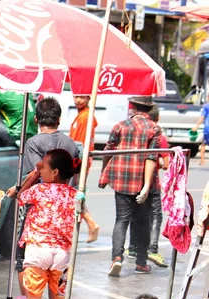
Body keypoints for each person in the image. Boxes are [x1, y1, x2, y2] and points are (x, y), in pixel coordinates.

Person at [6, 97, 79, 299]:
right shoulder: (70, 143)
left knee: (23, 263)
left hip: (38, 213)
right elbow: (74, 178)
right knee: (58, 283)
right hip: (64, 214)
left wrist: (19, 189)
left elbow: (35, 173)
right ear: (59, 119)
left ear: (36, 119)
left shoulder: (33, 142)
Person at [17, 149, 80, 299]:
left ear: (54, 173)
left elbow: (20, 197)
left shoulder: (40, 190)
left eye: (44, 166)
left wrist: (33, 175)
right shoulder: (75, 195)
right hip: (62, 256)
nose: (41, 168)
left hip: (38, 251)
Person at [100, 96, 160, 277]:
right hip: (144, 183)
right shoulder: (154, 128)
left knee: (121, 220)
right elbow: (151, 157)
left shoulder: (120, 126)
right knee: (143, 223)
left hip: (122, 180)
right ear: (150, 109)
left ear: (132, 106)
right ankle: (141, 263)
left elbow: (108, 151)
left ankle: (117, 258)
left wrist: (104, 174)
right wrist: (146, 186)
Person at [126, 105, 170, 268]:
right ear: (157, 119)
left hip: (132, 180)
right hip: (151, 183)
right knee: (155, 216)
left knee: (134, 216)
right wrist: (153, 162)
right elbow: (166, 163)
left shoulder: (132, 133)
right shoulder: (159, 135)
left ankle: (132, 248)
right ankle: (151, 249)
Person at [68, 95, 100, 243]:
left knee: (74, 194)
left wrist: (75, 165)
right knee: (76, 194)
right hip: (80, 161)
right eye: (76, 97)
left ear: (88, 98)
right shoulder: (83, 115)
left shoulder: (85, 117)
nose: (77, 100)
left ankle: (90, 222)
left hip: (78, 161)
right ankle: (87, 224)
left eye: (81, 97)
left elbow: (78, 145)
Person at [191, 93, 209, 166]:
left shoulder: (206, 106)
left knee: (203, 144)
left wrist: (197, 126)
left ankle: (202, 161)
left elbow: (202, 117)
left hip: (207, 128)